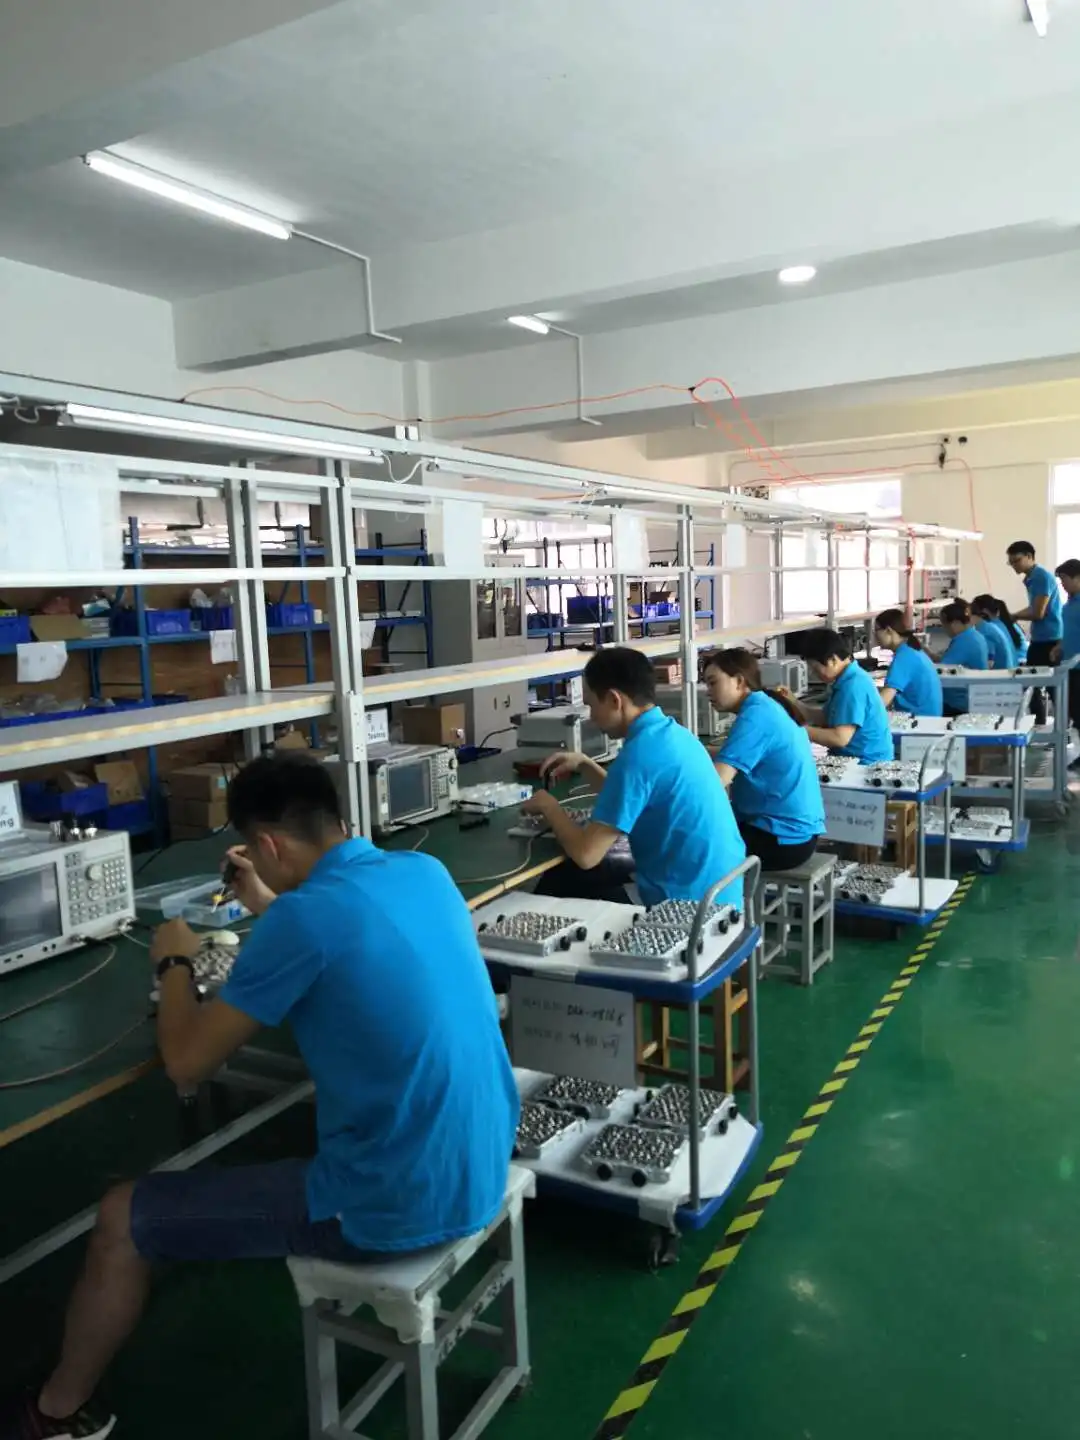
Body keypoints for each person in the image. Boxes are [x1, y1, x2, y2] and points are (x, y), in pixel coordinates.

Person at [8, 754, 518, 1440]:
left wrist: (174, 958)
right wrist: (270, 904)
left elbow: (186, 1064)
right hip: (481, 1157)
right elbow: (343, 929)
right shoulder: (422, 872)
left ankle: (56, 1413)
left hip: (391, 1205)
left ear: (269, 845)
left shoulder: (303, 923)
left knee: (121, 1217)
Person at [523, 646, 746, 908]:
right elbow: (632, 795)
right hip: (723, 891)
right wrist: (585, 765)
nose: (591, 717)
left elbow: (586, 854)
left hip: (685, 908)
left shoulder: (637, 756)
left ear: (614, 700)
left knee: (561, 880)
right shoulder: (673, 734)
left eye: (591, 705)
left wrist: (550, 807)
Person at [702, 648, 824, 871]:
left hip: (780, 839)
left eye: (713, 683)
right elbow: (732, 752)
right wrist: (694, 751)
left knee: (690, 844)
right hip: (795, 831)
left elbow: (718, 781)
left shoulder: (755, 717)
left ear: (739, 681)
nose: (708, 692)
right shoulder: (764, 705)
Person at [782, 628, 893, 763]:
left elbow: (840, 738)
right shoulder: (847, 679)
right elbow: (826, 717)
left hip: (865, 764)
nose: (813, 673)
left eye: (815, 668)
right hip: (855, 758)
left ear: (833, 660)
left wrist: (796, 731)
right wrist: (794, 702)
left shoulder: (853, 686)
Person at [1007, 540, 1063, 724]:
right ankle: (1041, 723)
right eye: (1011, 562)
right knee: (1033, 683)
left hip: (1049, 639)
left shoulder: (1040, 577)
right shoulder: (1032, 578)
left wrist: (1014, 616)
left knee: (1046, 685)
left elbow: (1038, 612)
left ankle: (1059, 727)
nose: (1014, 565)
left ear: (1029, 556)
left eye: (1016, 561)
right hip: (1042, 637)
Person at [872, 608, 943, 716]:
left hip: (920, 720)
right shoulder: (910, 649)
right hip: (929, 716)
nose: (875, 635)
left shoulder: (904, 657)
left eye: (876, 630)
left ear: (888, 630)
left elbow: (883, 701)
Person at [937, 599, 989, 717]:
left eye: (944, 624)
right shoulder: (975, 635)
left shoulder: (964, 641)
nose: (944, 629)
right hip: (972, 696)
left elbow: (941, 670)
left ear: (955, 623)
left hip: (959, 703)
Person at [1052, 558, 1080, 758]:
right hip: (1070, 666)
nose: (1062, 584)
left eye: (1065, 579)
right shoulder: (1071, 602)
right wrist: (1060, 646)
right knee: (1074, 712)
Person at [971, 594, 1019, 669]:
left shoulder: (986, 629)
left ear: (984, 612)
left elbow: (988, 663)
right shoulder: (1000, 624)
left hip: (1001, 673)